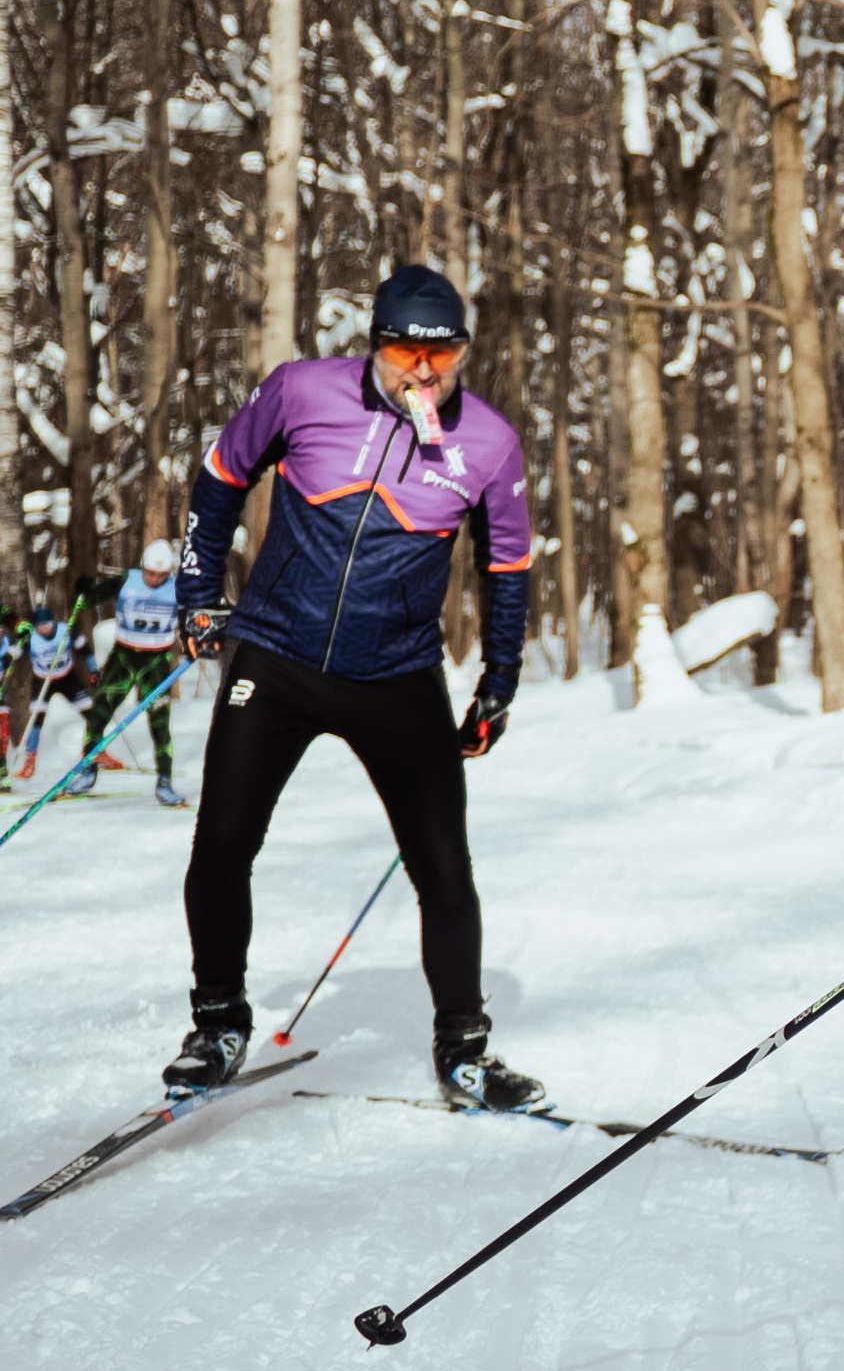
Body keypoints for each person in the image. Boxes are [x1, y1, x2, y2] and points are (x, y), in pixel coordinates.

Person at [162, 264, 545, 1109]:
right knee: (222, 846)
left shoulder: (488, 442)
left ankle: (464, 1049)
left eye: (443, 353)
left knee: (443, 869)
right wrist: (198, 594)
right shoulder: (302, 391)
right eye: (406, 351)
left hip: (397, 675)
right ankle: (218, 1024)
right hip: (276, 656)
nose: (424, 369)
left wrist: (499, 683)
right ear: (375, 345)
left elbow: (507, 566)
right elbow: (221, 478)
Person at [64, 540, 186, 805]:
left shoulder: (178, 588)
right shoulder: (125, 580)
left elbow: (194, 616)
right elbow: (88, 601)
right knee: (99, 715)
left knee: (160, 723)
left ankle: (165, 782)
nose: (154, 579)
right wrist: (81, 592)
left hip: (156, 662)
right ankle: (88, 771)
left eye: (161, 575)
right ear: (142, 567)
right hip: (123, 657)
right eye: (150, 573)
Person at [11, 595, 95, 782]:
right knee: (36, 719)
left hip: (68, 678)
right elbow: (13, 655)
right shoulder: (30, 637)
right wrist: (16, 647)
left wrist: (94, 670)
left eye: (48, 624)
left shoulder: (66, 631)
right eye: (40, 626)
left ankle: (96, 751)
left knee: (91, 713)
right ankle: (29, 761)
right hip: (42, 680)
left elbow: (86, 650)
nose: (45, 628)